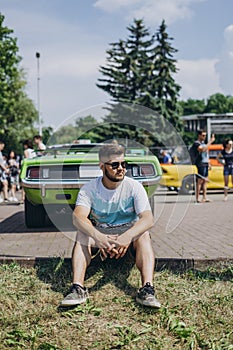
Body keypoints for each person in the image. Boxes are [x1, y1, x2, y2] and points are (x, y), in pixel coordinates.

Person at [60, 143, 161, 308]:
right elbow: (78, 218)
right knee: (82, 234)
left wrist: (126, 236)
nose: (121, 168)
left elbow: (148, 219)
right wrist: (99, 237)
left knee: (144, 234)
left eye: (123, 164)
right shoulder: (89, 189)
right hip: (101, 234)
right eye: (115, 165)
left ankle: (147, 289)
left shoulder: (135, 186)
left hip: (128, 236)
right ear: (102, 167)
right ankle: (77, 288)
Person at [193, 130, 215, 203]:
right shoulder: (196, 143)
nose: (204, 137)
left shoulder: (204, 143)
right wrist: (210, 141)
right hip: (200, 163)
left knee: (205, 180)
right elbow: (202, 149)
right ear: (199, 135)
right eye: (203, 135)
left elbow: (206, 154)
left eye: (205, 135)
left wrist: (209, 163)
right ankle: (197, 197)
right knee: (200, 181)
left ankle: (205, 197)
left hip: (205, 163)